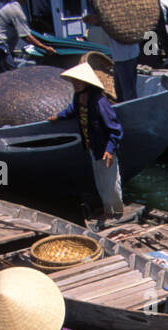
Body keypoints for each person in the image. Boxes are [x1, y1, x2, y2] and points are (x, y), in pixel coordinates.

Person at [55, 61, 123, 222]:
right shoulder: (79, 96)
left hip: (104, 148)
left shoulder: (100, 102)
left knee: (111, 182)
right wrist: (58, 116)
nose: (76, 84)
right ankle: (108, 209)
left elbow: (115, 129)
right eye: (75, 81)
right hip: (92, 146)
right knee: (100, 180)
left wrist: (110, 149)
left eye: (79, 81)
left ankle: (117, 212)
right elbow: (73, 109)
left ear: (87, 82)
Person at [0, 0, 54, 78]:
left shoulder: (8, 6)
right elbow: (26, 37)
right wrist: (45, 47)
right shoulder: (16, 11)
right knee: (13, 76)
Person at [87, 5, 139, 102]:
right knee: (120, 92)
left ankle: (131, 114)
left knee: (128, 93)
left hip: (126, 56)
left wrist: (98, 20)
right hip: (119, 57)